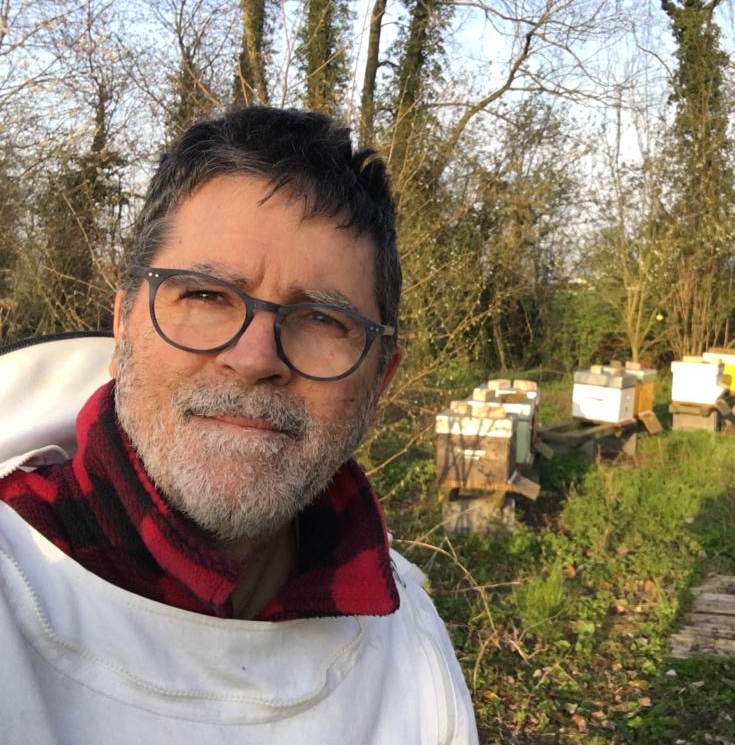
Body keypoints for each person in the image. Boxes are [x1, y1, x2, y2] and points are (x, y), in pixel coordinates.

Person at [0, 106, 478, 744]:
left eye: (322, 321)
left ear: (379, 381)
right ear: (124, 325)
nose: (255, 359)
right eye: (203, 296)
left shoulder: (410, 647)